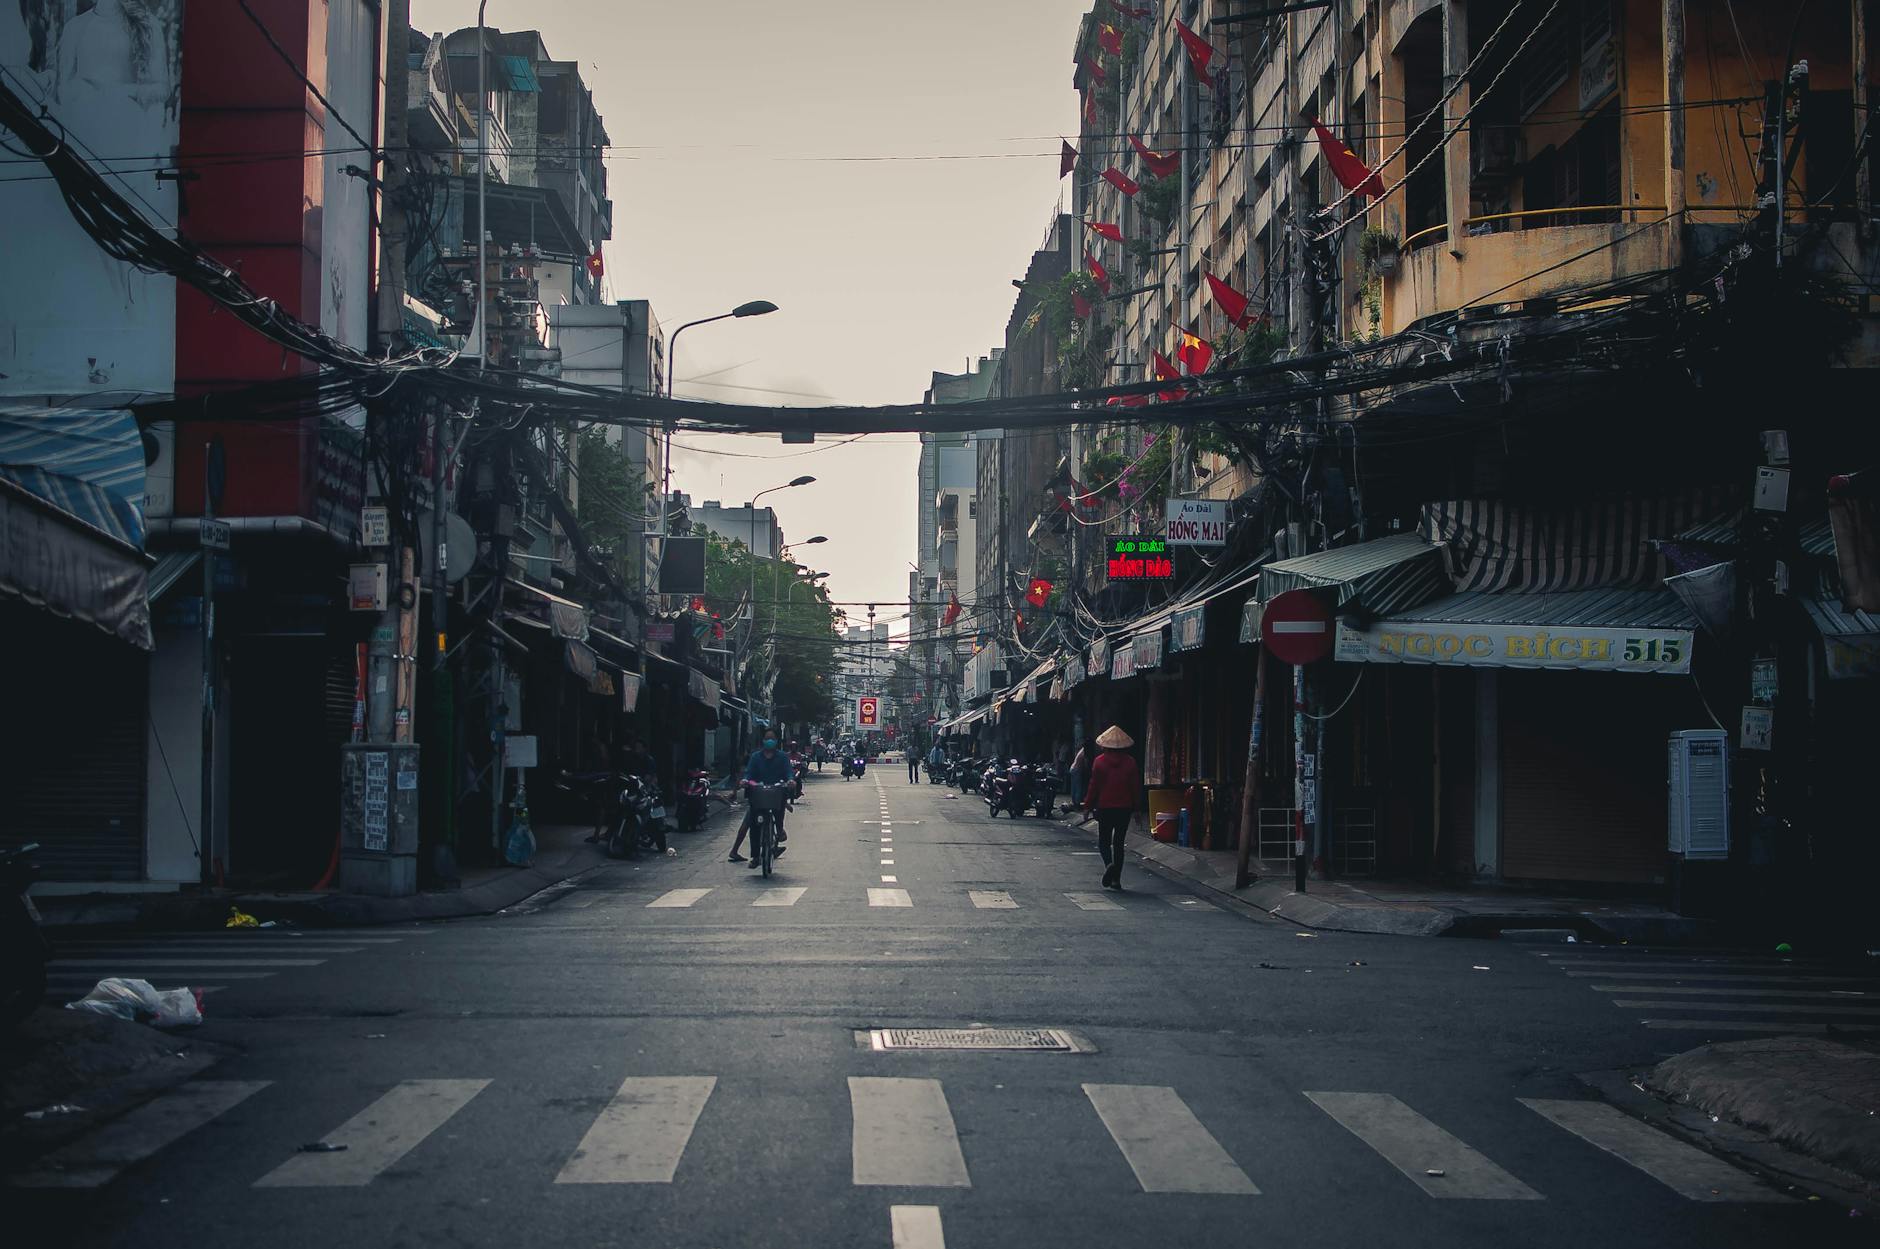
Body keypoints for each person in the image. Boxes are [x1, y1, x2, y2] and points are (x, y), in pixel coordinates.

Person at [1083, 725, 1141, 890]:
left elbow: (1093, 786)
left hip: (1105, 807)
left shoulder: (1099, 762)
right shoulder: (1130, 762)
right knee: (1119, 843)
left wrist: (1087, 806)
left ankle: (1109, 864)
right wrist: (1137, 809)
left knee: (1104, 841)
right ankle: (1116, 880)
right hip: (1124, 808)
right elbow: (1135, 787)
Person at [730, 734, 793, 866]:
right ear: (763, 741)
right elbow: (748, 773)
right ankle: (756, 856)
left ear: (776, 741)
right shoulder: (755, 757)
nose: (769, 741)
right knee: (753, 825)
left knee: (779, 815)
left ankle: (779, 831)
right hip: (758, 794)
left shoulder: (782, 757)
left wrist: (790, 780)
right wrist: (745, 781)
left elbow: (788, 772)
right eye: (767, 738)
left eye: (772, 738)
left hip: (776, 793)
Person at [1068, 737, 1096, 811]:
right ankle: (1076, 804)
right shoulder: (1085, 752)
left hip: (1073, 768)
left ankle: (1075, 802)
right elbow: (1086, 764)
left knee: (1074, 787)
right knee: (1078, 787)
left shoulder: (1082, 750)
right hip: (1077, 770)